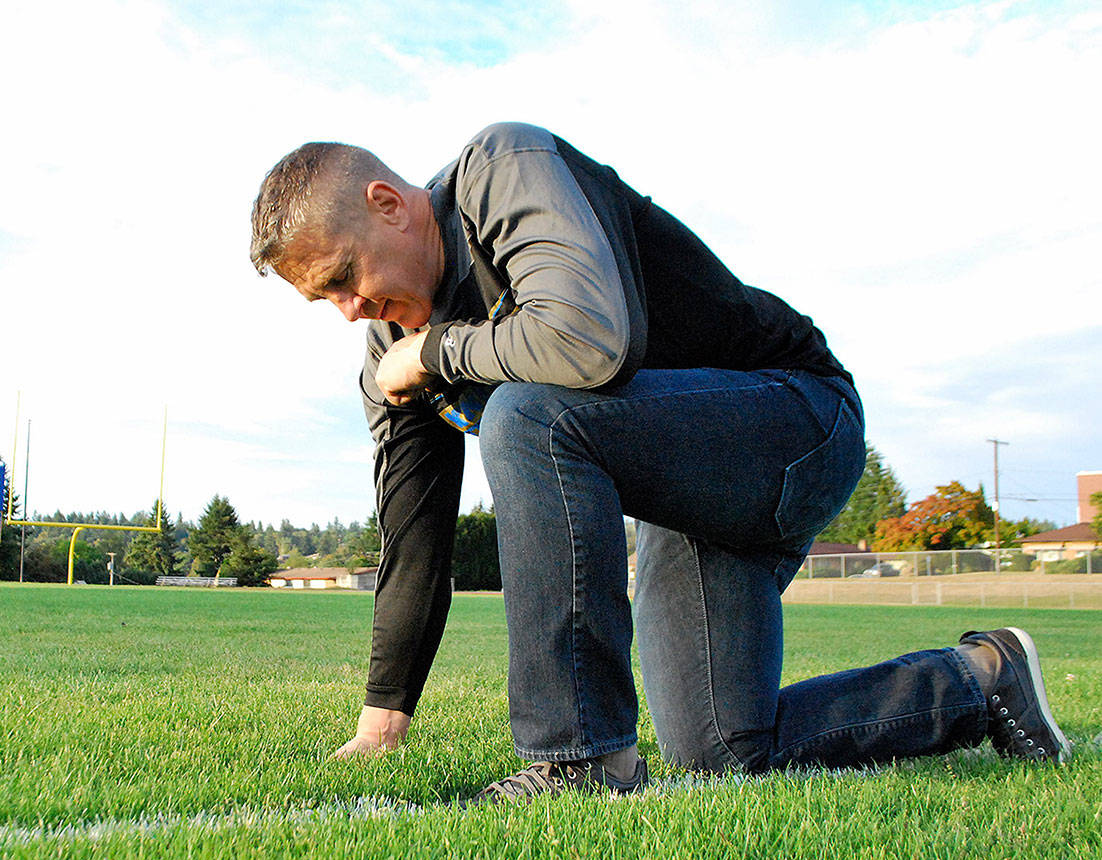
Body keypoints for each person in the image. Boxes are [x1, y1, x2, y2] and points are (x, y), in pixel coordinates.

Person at [249, 123, 1071, 802]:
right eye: (326, 299)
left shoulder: (503, 172)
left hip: (793, 418)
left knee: (528, 413)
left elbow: (588, 341)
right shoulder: (388, 347)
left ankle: (583, 760)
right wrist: (382, 715)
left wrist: (438, 348)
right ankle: (980, 679)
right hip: (690, 495)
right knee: (720, 747)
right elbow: (414, 537)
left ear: (388, 204)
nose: (349, 309)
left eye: (343, 277)